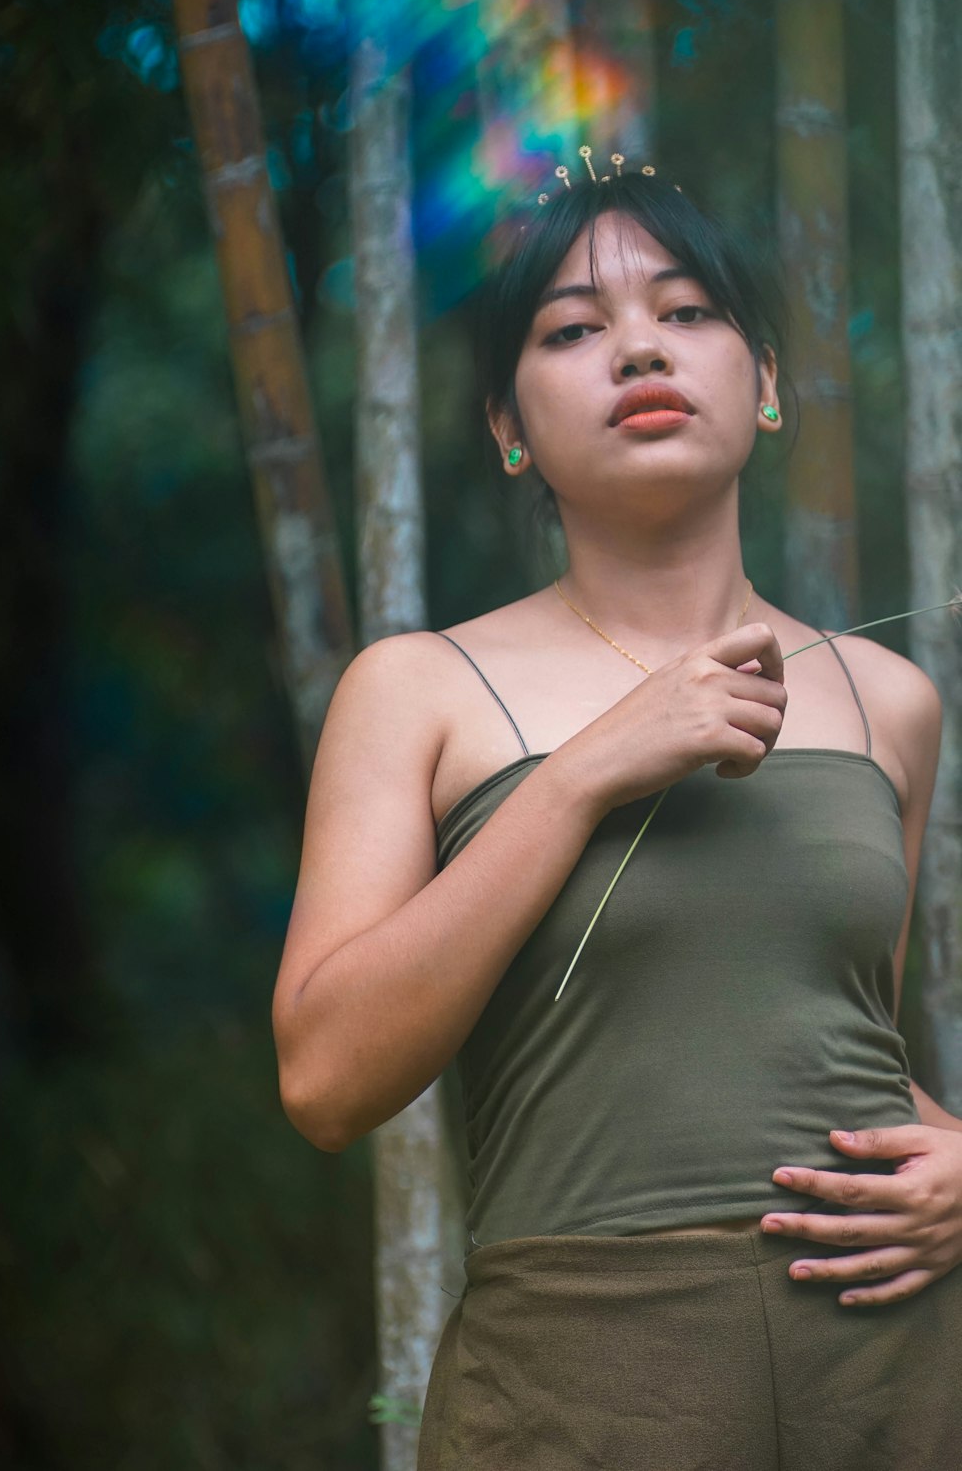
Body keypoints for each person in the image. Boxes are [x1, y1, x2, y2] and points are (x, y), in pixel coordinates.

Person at [272, 161, 962, 1468]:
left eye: (687, 309)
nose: (638, 344)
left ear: (764, 386)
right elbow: (323, 1077)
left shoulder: (890, 702)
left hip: (895, 1362)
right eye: (574, 328)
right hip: (586, 1376)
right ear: (507, 425)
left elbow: (824, 1040)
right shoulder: (419, 690)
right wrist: (588, 768)